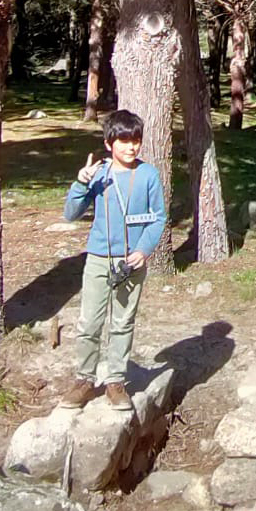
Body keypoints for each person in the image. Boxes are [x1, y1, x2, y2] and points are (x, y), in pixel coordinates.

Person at [59, 109, 167, 412]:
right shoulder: (99, 174)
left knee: (122, 322)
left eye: (135, 141)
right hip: (98, 259)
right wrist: (81, 183)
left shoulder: (148, 175)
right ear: (109, 143)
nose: (130, 147)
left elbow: (158, 218)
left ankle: (116, 381)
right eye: (123, 141)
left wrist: (143, 250)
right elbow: (71, 214)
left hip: (131, 263)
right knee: (89, 322)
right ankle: (84, 379)